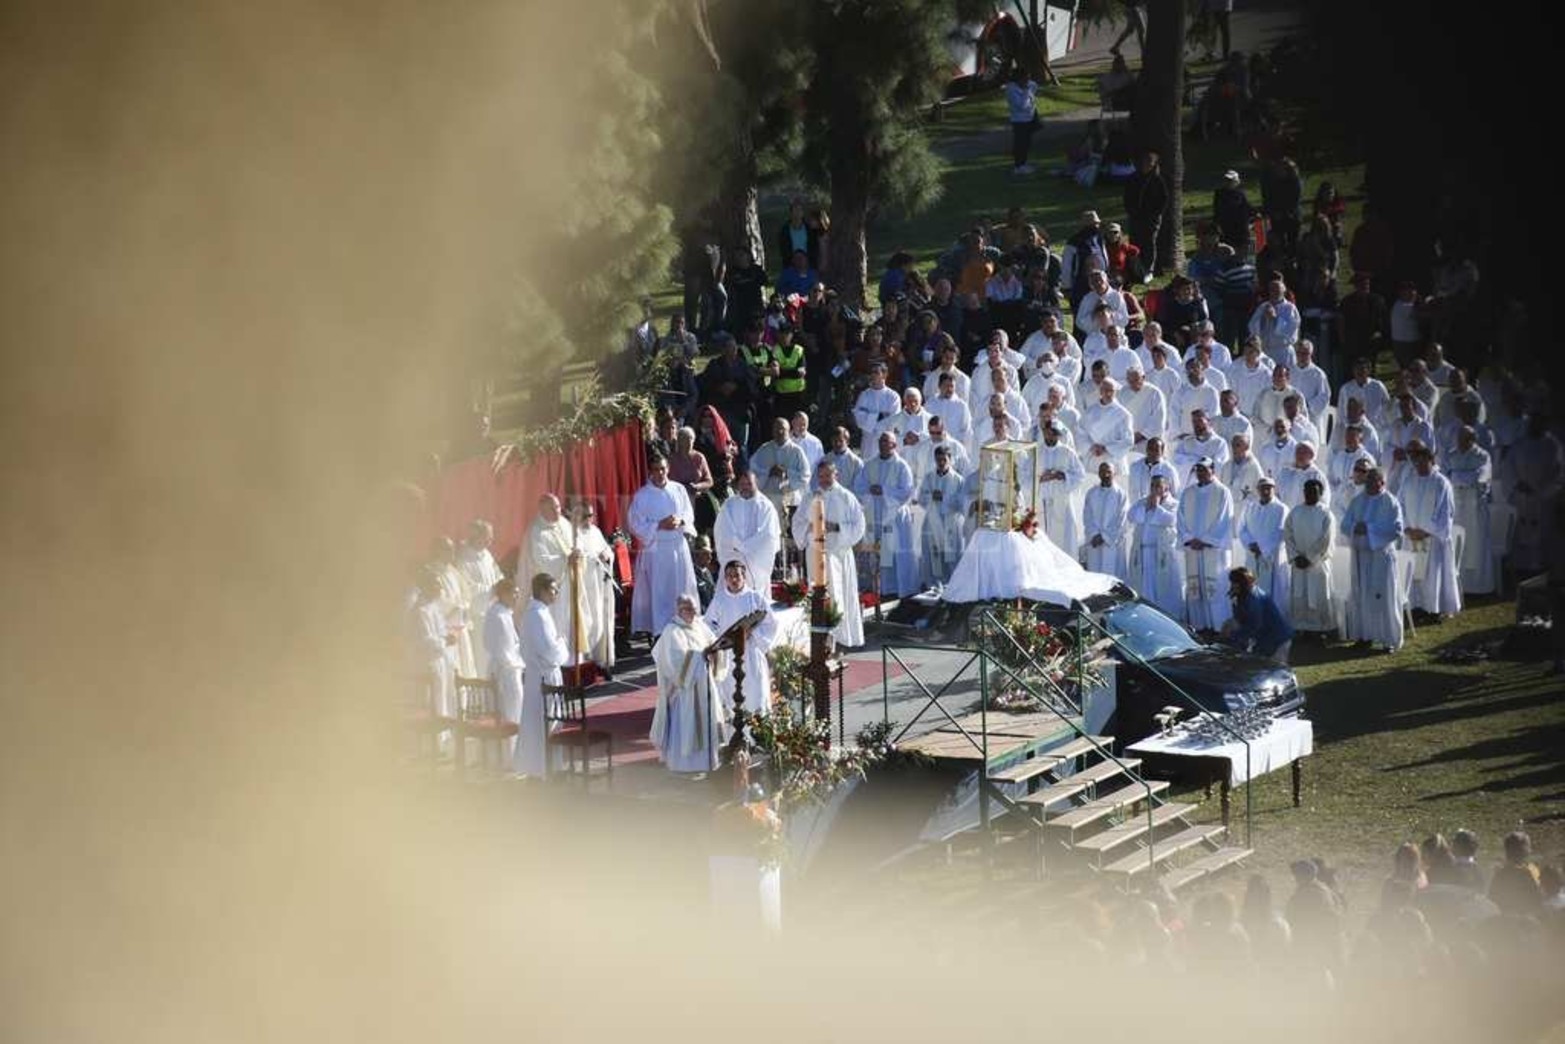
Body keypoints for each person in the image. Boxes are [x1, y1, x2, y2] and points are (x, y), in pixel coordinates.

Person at [649, 593, 728, 777]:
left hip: (705, 685)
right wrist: (702, 656)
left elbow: (714, 643)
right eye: (688, 609)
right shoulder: (672, 631)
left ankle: (709, 761)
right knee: (687, 725)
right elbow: (675, 662)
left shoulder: (700, 625)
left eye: (694, 609)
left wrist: (716, 652)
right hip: (686, 691)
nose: (692, 613)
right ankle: (685, 764)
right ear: (679, 610)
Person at [792, 460, 868, 648]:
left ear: (836, 475)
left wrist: (837, 527)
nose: (824, 479)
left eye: (828, 475)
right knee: (817, 596)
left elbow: (859, 526)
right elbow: (798, 523)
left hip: (839, 555)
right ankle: (818, 639)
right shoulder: (810, 497)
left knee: (839, 595)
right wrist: (810, 526)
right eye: (821, 476)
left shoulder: (846, 497)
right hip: (816, 554)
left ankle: (841, 637)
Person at [628, 456, 700, 637]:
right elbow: (635, 523)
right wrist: (659, 525)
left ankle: (683, 625)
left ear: (668, 469)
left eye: (663, 469)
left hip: (677, 546)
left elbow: (688, 513)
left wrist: (680, 521)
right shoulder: (642, 496)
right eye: (656, 469)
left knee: (680, 588)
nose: (660, 473)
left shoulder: (679, 489)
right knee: (659, 591)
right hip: (656, 549)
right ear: (650, 472)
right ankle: (659, 631)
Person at [704, 560, 779, 721]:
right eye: (730, 576)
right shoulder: (719, 599)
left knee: (755, 694)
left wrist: (753, 633)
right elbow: (708, 624)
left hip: (751, 653)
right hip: (728, 655)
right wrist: (721, 637)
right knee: (731, 695)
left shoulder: (755, 598)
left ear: (744, 577)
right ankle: (733, 732)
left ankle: (756, 730)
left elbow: (771, 623)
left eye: (737, 575)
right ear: (725, 578)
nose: (734, 579)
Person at [1341, 467, 1404, 653]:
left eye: (1373, 480)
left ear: (1382, 482)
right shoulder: (1357, 500)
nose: (1368, 484)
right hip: (1361, 557)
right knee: (1362, 597)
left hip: (1381, 557)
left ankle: (1388, 640)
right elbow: (1345, 525)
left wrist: (1368, 529)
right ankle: (1364, 636)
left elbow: (1396, 529)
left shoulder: (1391, 502)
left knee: (1383, 598)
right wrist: (1355, 527)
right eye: (1367, 480)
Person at [1398, 443, 1460, 621]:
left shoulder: (1441, 483)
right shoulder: (1408, 481)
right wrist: (1407, 528)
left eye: (1423, 462)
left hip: (1432, 539)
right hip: (1411, 537)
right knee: (1414, 574)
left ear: (1431, 461)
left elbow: (1446, 513)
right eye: (1416, 462)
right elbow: (1399, 506)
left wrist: (1426, 532)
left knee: (1432, 574)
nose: (1419, 465)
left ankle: (1434, 608)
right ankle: (1415, 606)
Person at [854, 431, 920, 598]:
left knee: (894, 550)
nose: (883, 444)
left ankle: (896, 587)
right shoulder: (869, 465)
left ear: (894, 445)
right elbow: (859, 487)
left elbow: (906, 491)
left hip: (894, 516)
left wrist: (884, 490)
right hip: (874, 514)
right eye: (881, 441)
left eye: (887, 442)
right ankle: (876, 587)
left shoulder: (902, 466)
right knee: (875, 550)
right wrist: (870, 490)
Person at [516, 572, 569, 778]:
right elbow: (548, 650)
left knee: (537, 722)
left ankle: (543, 766)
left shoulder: (538, 612)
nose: (556, 593)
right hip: (543, 677)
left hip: (537, 675)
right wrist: (562, 644)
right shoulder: (537, 615)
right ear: (542, 591)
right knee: (543, 722)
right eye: (553, 589)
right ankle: (542, 768)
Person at [1501, 413, 1564, 574]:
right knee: (1520, 532)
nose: (1535, 425)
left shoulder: (1553, 445)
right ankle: (1520, 568)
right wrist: (1517, 484)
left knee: (1543, 533)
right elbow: (1508, 468)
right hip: (1521, 497)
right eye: (1533, 423)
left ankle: (1543, 568)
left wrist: (1544, 490)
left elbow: (1559, 473)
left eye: (1539, 422)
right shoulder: (1519, 444)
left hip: (1544, 499)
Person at [1178, 458, 1235, 632]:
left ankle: (1219, 626)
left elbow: (1224, 519)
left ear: (1213, 470)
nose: (1201, 473)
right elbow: (1180, 518)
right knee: (1196, 588)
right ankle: (1199, 625)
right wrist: (1189, 538)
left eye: (1205, 469)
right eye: (1198, 470)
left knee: (1216, 587)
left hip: (1213, 550)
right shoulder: (1188, 493)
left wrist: (1206, 540)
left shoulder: (1222, 492)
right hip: (1193, 549)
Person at [712, 468, 781, 595]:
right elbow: (722, 529)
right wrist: (737, 544)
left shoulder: (766, 506)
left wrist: (746, 547)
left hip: (756, 560)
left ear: (756, 484)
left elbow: (768, 534)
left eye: (749, 484)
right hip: (733, 555)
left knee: (755, 594)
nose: (745, 487)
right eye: (742, 484)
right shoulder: (729, 504)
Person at [1444, 427, 1496, 595]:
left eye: (1465, 438)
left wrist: (1457, 476)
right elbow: (1445, 476)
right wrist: (1462, 477)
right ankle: (1458, 586)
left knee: (1477, 547)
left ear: (1472, 439)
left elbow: (1480, 478)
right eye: (1459, 438)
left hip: (1475, 508)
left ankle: (1478, 586)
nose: (1461, 442)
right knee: (1458, 545)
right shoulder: (1451, 455)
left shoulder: (1482, 456)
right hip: (1457, 508)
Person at [568, 500, 617, 673]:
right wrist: (594, 558)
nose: (589, 519)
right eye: (585, 516)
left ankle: (602, 661)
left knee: (602, 621)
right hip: (586, 586)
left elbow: (607, 550)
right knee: (589, 622)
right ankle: (587, 662)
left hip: (600, 584)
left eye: (591, 515)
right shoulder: (573, 534)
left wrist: (606, 554)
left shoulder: (595, 531)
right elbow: (577, 557)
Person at [1284, 479, 1336, 636]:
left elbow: (1326, 539)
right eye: (1307, 491)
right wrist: (1295, 556)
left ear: (1321, 493)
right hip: (1298, 563)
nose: (1310, 494)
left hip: (1317, 564)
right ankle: (1302, 627)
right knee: (1300, 595)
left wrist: (1309, 558)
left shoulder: (1326, 513)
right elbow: (1288, 535)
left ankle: (1320, 629)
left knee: (1318, 595)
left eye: (1314, 491)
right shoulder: (1295, 512)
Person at [482, 577, 525, 764]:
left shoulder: (502, 612)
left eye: (517, 593)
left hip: (508, 667)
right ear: (503, 594)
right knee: (509, 710)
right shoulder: (498, 616)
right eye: (514, 593)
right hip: (506, 670)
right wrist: (517, 662)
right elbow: (502, 648)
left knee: (510, 709)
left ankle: (510, 754)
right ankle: (509, 757)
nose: (517, 597)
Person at [522, 493, 576, 638]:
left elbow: (576, 544)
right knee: (555, 623)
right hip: (549, 586)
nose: (557, 511)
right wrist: (566, 560)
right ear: (542, 510)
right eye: (552, 508)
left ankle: (569, 650)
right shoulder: (536, 531)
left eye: (558, 507)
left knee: (569, 621)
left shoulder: (564, 523)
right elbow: (541, 560)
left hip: (569, 582)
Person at [1129, 475, 1183, 617]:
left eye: (1158, 486)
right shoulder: (1143, 502)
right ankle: (1146, 615)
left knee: (1163, 588)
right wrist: (1146, 508)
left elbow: (1171, 520)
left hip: (1161, 554)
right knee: (1144, 586)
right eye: (1152, 485)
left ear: (1167, 487)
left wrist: (1157, 507)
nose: (1154, 489)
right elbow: (1131, 516)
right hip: (1143, 553)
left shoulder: (1174, 504)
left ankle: (1168, 616)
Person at [457, 519, 505, 676]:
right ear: (476, 536)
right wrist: (492, 590)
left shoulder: (487, 555)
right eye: (487, 537)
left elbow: (497, 574)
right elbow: (468, 587)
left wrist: (502, 585)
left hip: (493, 611)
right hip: (478, 615)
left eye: (491, 537)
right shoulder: (463, 559)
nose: (491, 540)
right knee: (482, 655)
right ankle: (483, 687)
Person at [1239, 476, 1289, 620]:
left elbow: (1281, 532)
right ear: (1257, 490)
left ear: (1274, 489)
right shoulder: (1250, 507)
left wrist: (1262, 548)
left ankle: (1274, 621)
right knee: (1252, 587)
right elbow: (1241, 529)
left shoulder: (1281, 509)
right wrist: (1250, 544)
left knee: (1274, 591)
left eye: (1269, 488)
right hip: (1252, 556)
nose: (1265, 491)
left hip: (1272, 557)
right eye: (1262, 488)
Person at [919, 445, 967, 586]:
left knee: (951, 556)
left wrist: (944, 498)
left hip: (950, 523)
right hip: (932, 522)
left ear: (950, 459)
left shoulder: (958, 480)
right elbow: (921, 497)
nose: (941, 463)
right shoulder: (929, 477)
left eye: (944, 460)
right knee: (933, 555)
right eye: (938, 459)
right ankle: (934, 585)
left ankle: (953, 585)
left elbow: (962, 502)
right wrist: (931, 497)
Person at [1033, 421, 1084, 557]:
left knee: (1064, 538)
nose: (1050, 436)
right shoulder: (1037, 451)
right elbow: (1026, 475)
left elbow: (1080, 475)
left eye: (1053, 433)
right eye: (1048, 432)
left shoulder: (1067, 452)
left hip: (1062, 502)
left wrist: (1061, 475)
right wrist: (1040, 479)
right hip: (1042, 501)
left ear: (1058, 435)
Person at [750, 416, 810, 527]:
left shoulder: (796, 451)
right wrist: (768, 472)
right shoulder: (764, 449)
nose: (779, 432)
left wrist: (787, 473)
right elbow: (752, 471)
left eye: (782, 429)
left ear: (788, 430)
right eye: (776, 429)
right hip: (768, 497)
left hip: (788, 498)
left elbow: (805, 476)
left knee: (785, 530)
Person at [1224, 567, 1293, 663]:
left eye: (1234, 582)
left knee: (1274, 669)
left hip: (1278, 640)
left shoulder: (1254, 599)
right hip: (1264, 638)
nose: (1232, 585)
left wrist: (1233, 635)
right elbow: (1241, 619)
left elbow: (1254, 626)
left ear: (1242, 583)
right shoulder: (1243, 594)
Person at [1081, 461, 1130, 581]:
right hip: (1094, 542)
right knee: (1095, 577)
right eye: (1102, 471)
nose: (1105, 474)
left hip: (1112, 543)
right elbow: (1087, 516)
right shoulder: (1091, 493)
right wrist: (1094, 534)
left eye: (1109, 471)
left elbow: (1121, 520)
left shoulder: (1121, 494)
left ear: (1114, 473)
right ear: (1098, 473)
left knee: (1112, 577)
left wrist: (1104, 536)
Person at [1123, 150, 1168, 275]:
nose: (1146, 165)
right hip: (1135, 217)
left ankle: (1149, 268)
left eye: (1149, 163)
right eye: (1144, 163)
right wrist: (1131, 211)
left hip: (1151, 218)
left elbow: (1163, 199)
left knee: (1149, 242)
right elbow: (1127, 197)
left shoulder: (1157, 180)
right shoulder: (1133, 178)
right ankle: (1135, 268)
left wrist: (1155, 214)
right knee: (1135, 241)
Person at [852, 362, 901, 458]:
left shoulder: (893, 397)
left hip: (886, 442)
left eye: (876, 372)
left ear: (884, 375)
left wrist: (870, 417)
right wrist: (880, 416)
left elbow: (894, 420)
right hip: (868, 442)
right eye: (871, 372)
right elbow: (858, 419)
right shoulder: (864, 395)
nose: (873, 375)